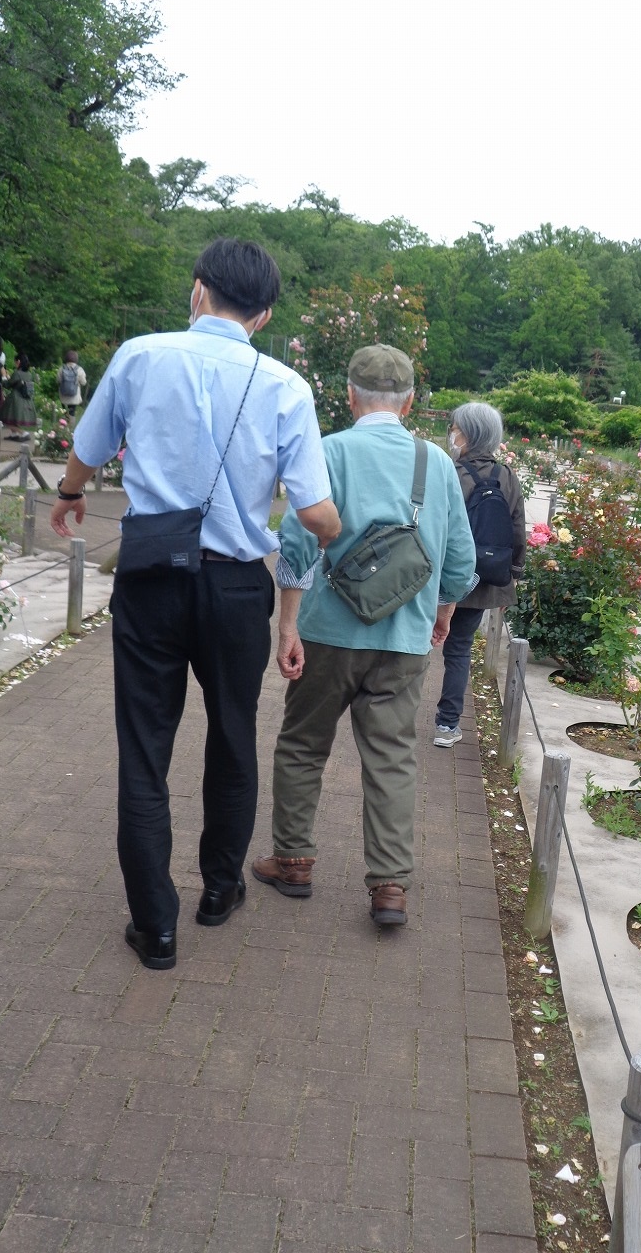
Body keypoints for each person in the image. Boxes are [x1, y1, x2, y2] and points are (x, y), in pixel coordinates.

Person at [49, 237, 341, 971]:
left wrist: (70, 493)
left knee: (145, 748)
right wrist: (337, 528)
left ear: (198, 289)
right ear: (264, 315)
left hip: (151, 574)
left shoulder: (141, 355)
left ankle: (155, 927)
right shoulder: (286, 386)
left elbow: (89, 446)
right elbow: (314, 512)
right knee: (233, 736)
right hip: (237, 585)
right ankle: (219, 888)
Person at [252, 344, 477, 929]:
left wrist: (287, 624)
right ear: (409, 402)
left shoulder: (328, 452)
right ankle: (390, 887)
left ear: (350, 395)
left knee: (303, 745)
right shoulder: (437, 464)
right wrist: (443, 612)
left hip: (327, 634)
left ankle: (294, 860)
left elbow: (298, 542)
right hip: (404, 638)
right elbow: (459, 558)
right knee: (392, 759)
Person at [433, 402, 526, 747]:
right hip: (481, 578)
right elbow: (517, 529)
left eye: (455, 429)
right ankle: (447, 725)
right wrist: (512, 575)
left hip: (439, 575)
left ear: (468, 434)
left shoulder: (448, 471)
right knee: (459, 649)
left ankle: (392, 716)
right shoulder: (507, 476)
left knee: (414, 642)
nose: (452, 435)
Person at [2, 354, 37, 439]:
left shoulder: (17, 373)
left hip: (16, 399)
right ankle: (13, 434)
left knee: (7, 418)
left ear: (18, 361)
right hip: (26, 399)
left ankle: (24, 433)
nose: (15, 364)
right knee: (13, 419)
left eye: (15, 362)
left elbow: (7, 385)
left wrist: (4, 377)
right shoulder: (29, 374)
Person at [57, 350, 88, 419]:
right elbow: (84, 383)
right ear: (76, 359)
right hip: (74, 396)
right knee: (72, 412)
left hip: (63, 395)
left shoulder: (61, 369)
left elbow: (58, 381)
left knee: (64, 412)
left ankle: (63, 422)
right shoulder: (79, 369)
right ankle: (71, 423)